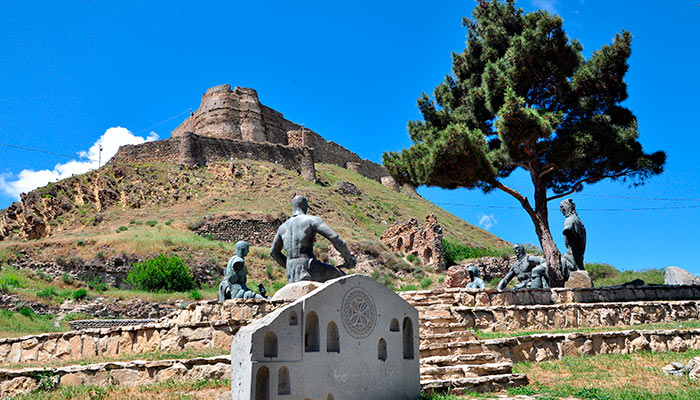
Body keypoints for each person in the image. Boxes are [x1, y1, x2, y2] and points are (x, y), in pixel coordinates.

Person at [270, 195, 356, 283]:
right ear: (306, 207)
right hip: (310, 268)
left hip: (292, 274)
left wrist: (291, 267)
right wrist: (349, 259)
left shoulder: (282, 227)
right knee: (344, 278)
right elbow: (335, 238)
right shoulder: (312, 220)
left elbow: (273, 252)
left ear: (293, 207)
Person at [560, 198, 586, 281]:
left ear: (567, 207)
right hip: (579, 259)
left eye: (562, 207)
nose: (561, 210)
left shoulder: (570, 219)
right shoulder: (579, 221)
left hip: (571, 259)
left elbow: (567, 230)